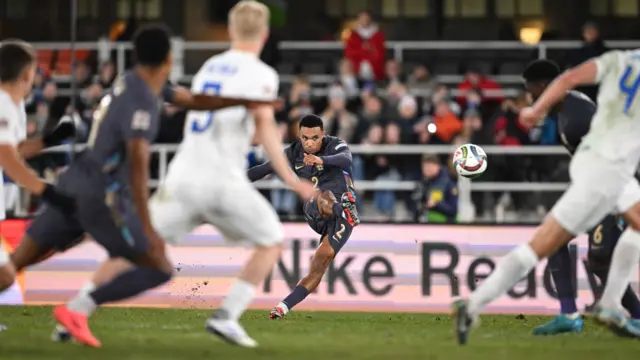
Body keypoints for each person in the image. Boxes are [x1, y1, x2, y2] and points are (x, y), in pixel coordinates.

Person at [41, 2, 314, 349]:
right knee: (271, 241)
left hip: (183, 175)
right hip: (220, 179)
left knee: (135, 249)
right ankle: (226, 316)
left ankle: (76, 310)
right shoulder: (262, 74)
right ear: (264, 34)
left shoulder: (210, 67)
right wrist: (292, 180)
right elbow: (265, 130)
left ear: (231, 31)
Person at [452, 49, 640, 345]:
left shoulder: (615, 65)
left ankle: (473, 304)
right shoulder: (573, 112)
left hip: (603, 172)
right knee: (598, 247)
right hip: (607, 173)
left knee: (547, 246)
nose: (529, 97)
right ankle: (601, 308)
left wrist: (535, 110)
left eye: (531, 91)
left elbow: (570, 77)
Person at [521, 59, 640, 335]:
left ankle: (635, 314)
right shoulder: (568, 109)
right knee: (553, 240)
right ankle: (569, 315)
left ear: (543, 86)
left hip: (613, 190)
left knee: (600, 259)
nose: (531, 98)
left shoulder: (577, 117)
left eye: (531, 91)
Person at [247, 114, 360, 319]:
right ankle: (343, 210)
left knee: (321, 261)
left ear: (323, 135)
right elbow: (263, 170)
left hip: (341, 217)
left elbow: (346, 159)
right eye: (305, 138)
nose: (309, 143)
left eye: (315, 138)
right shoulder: (293, 152)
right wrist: (235, 181)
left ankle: (283, 306)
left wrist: (321, 159)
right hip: (316, 209)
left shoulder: (336, 145)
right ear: (299, 136)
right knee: (322, 196)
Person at [0, 39, 77, 329]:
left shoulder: (12, 105)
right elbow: (7, 158)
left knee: (5, 274)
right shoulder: (4, 103)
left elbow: (15, 149)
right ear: (26, 74)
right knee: (5, 275)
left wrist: (49, 140)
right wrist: (47, 191)